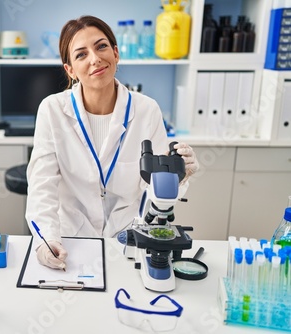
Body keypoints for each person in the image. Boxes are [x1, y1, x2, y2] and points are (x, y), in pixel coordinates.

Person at [25, 15, 199, 271]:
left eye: (101, 46)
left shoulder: (146, 109)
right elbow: (42, 185)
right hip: (71, 239)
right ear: (70, 70)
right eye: (81, 54)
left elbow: (155, 191)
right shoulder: (52, 110)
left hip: (130, 239)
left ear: (116, 53)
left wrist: (179, 176)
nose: (95, 58)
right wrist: (45, 240)